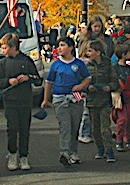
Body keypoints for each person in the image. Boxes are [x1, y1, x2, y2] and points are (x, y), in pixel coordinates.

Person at [40, 36, 91, 166]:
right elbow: (49, 82)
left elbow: (87, 78)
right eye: (59, 46)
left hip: (76, 97)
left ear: (71, 48)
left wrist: (80, 86)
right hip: (59, 98)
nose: (60, 48)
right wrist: (46, 99)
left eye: (62, 45)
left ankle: (73, 152)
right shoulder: (56, 64)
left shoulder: (79, 64)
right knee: (65, 126)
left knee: (75, 126)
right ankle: (64, 152)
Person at [0, 33, 42, 172]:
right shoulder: (3, 63)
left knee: (24, 129)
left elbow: (38, 79)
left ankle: (24, 156)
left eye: (5, 47)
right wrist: (8, 81)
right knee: (12, 129)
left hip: (25, 101)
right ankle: (12, 154)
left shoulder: (27, 61)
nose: (3, 51)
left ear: (13, 46)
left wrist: (28, 77)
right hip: (10, 100)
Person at [83, 40, 118, 162]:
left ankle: (109, 150)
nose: (88, 53)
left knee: (105, 128)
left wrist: (110, 87)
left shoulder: (107, 65)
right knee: (95, 129)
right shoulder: (87, 67)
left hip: (104, 101)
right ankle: (100, 148)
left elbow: (114, 81)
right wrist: (88, 88)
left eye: (90, 50)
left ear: (98, 52)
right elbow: (81, 84)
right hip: (92, 101)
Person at [113, 44, 130, 152]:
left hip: (129, 96)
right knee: (122, 119)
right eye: (128, 53)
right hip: (120, 97)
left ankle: (128, 139)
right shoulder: (115, 68)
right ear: (123, 55)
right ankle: (119, 140)